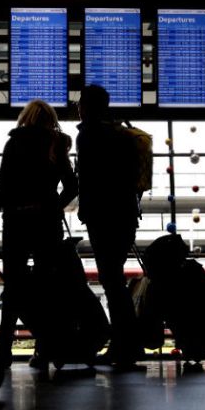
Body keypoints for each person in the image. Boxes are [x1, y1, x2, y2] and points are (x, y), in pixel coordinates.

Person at [0, 99, 78, 368]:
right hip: (47, 225)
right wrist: (52, 207)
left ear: (26, 118)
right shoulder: (57, 144)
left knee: (13, 286)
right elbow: (72, 186)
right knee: (48, 288)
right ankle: (44, 350)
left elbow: (2, 186)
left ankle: (3, 349)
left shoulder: (15, 143)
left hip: (16, 221)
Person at [75, 84, 144, 370]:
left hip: (102, 215)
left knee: (111, 280)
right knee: (114, 279)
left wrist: (84, 209)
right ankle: (127, 343)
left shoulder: (88, 134)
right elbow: (136, 179)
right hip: (126, 214)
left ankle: (124, 346)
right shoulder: (123, 133)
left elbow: (88, 177)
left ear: (86, 106)